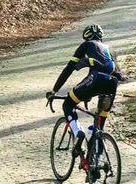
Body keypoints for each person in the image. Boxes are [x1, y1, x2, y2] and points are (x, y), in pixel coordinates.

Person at [46, 24, 123, 164]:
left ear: (86, 36)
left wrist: (54, 90)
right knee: (99, 126)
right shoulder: (110, 50)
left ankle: (78, 133)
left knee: (68, 103)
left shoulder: (86, 45)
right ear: (101, 36)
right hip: (112, 84)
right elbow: (116, 73)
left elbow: (69, 69)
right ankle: (96, 163)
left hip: (96, 79)